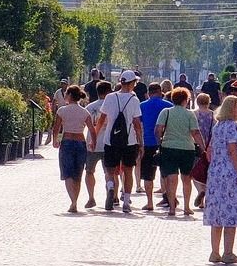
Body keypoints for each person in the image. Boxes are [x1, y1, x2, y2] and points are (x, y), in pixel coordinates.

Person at [203, 95, 237, 263]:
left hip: (215, 173)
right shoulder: (232, 127)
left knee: (217, 212)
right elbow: (233, 151)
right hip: (230, 173)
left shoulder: (217, 127)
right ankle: (228, 253)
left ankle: (214, 252)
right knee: (230, 212)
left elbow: (210, 150)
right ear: (230, 109)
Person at [92, 70, 144, 215]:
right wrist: (141, 143)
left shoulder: (109, 97)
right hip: (129, 141)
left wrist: (94, 136)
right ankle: (126, 202)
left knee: (110, 169)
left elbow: (102, 119)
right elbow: (137, 123)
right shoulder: (134, 100)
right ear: (131, 83)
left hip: (111, 140)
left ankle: (110, 186)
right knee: (128, 171)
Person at [155, 88, 201, 218]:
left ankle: (172, 208)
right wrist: (203, 147)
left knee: (171, 179)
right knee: (186, 179)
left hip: (168, 148)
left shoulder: (166, 112)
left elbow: (158, 129)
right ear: (185, 100)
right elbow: (195, 133)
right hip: (187, 149)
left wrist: (160, 142)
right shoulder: (190, 114)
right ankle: (186, 207)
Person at [53, 86, 91, 214]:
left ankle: (73, 201)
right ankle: (75, 201)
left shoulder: (62, 110)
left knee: (67, 172)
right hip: (81, 143)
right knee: (78, 174)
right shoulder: (85, 112)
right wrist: (93, 142)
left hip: (67, 142)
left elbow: (56, 127)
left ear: (69, 95)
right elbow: (91, 129)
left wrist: (55, 140)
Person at [139, 80, 171, 212]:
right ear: (160, 92)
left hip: (148, 143)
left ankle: (150, 202)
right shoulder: (168, 105)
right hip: (165, 143)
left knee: (148, 175)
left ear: (148, 93)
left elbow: (139, 125)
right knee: (167, 173)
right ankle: (169, 198)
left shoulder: (142, 106)